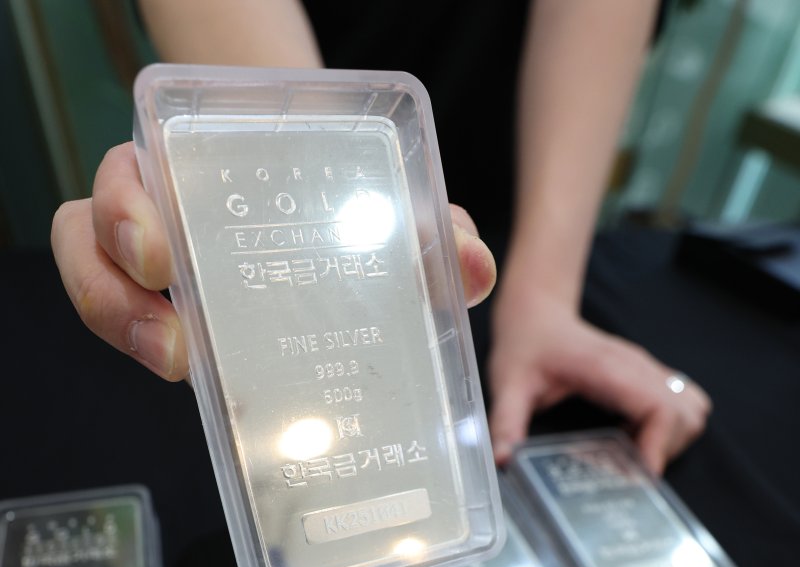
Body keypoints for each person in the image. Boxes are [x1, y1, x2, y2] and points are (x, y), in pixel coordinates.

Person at [51, 0, 711, 473]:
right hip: (294, 211)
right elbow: (290, 134)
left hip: (494, 225)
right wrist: (311, 228)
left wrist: (544, 297)